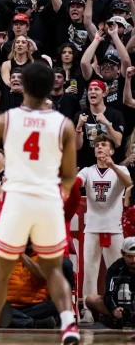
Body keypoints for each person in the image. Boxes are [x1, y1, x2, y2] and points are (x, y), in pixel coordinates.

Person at [0, 62, 79, 345]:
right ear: (49, 88)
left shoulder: (4, 120)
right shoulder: (63, 124)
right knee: (54, 269)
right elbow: (69, 174)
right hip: (46, 198)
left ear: (22, 87)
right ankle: (68, 324)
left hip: (18, 199)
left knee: (1, 271)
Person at [77, 134, 132, 324]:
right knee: (89, 271)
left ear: (112, 150)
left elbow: (129, 183)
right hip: (92, 227)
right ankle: (87, 310)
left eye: (104, 145)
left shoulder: (121, 169)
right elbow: (77, 183)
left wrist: (113, 166)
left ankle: (120, 307)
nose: (99, 148)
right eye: (97, 145)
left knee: (118, 271)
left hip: (114, 228)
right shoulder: (87, 171)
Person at [85, 237, 135, 328]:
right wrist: (114, 309)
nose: (133, 260)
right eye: (129, 256)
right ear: (123, 254)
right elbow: (108, 293)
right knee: (90, 299)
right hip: (119, 306)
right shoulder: (115, 268)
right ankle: (105, 320)